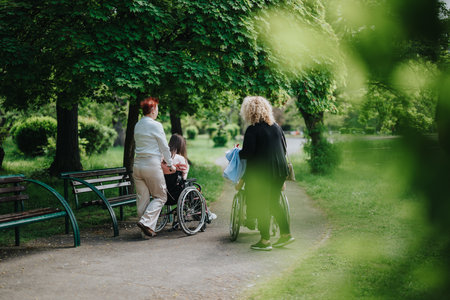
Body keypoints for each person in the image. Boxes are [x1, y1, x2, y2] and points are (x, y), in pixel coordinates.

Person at [238, 96, 294, 251]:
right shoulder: (276, 127)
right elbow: (283, 148)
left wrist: (238, 153)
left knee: (263, 204)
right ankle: (286, 235)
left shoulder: (252, 130)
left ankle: (265, 240)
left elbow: (248, 153)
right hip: (280, 171)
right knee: (274, 202)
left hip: (262, 173)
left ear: (248, 111)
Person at [133, 97, 175, 238]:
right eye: (156, 108)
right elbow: (164, 146)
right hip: (151, 165)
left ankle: (144, 232)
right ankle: (145, 222)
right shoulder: (156, 125)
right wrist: (170, 164)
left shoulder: (138, 125)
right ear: (152, 110)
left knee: (143, 199)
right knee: (160, 196)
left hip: (137, 165)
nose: (157, 111)